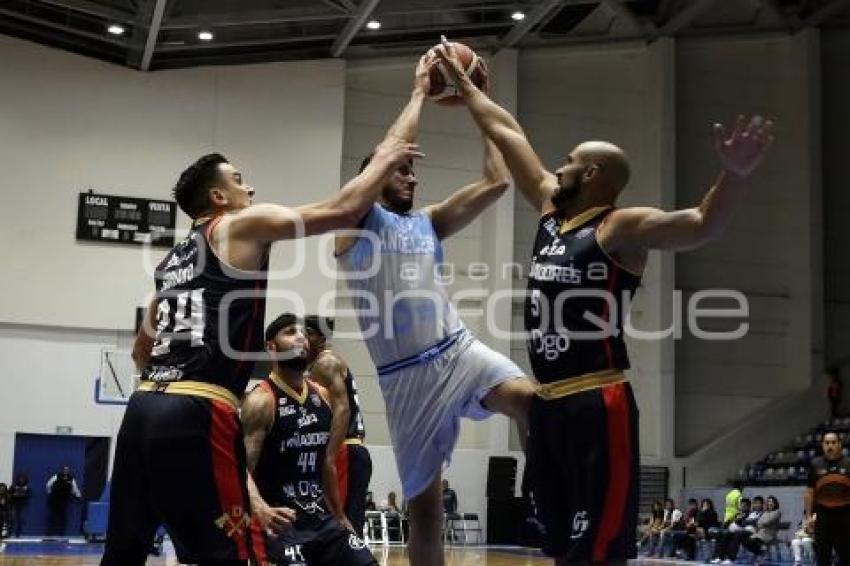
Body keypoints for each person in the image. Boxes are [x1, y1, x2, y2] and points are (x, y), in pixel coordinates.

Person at [434, 41, 774, 565]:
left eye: (569, 163)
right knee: (557, 543)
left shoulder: (620, 227)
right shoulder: (551, 210)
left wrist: (735, 174)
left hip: (599, 403)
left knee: (598, 549)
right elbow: (506, 134)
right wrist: (474, 89)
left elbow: (703, 223)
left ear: (591, 175)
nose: (558, 169)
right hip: (548, 402)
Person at [101, 140, 422, 566]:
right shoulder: (237, 225)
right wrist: (384, 160)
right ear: (218, 197)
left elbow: (143, 349)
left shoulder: (172, 260)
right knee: (234, 553)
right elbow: (343, 210)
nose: (248, 189)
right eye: (238, 181)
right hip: (199, 407)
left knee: (124, 550)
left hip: (143, 406)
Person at [335, 55, 537, 566]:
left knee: (533, 401)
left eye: (412, 170)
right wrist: (420, 94)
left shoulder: (427, 222)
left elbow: (496, 182)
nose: (412, 177)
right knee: (424, 511)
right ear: (376, 175)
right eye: (402, 170)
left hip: (459, 351)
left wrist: (479, 101)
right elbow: (388, 151)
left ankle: (548, 497)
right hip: (407, 380)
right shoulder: (353, 225)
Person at [241, 313, 377, 566]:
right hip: (280, 524)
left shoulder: (322, 396)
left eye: (303, 333)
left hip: (321, 520)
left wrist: (339, 516)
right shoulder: (261, 401)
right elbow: (241, 467)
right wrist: (260, 509)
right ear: (271, 347)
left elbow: (326, 463)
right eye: (290, 332)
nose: (301, 337)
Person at [302, 315, 372, 537]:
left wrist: (329, 456)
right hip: (347, 451)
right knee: (337, 524)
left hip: (346, 450)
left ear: (322, 338)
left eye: (307, 334)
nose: (302, 339)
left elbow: (343, 409)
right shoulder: (319, 365)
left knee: (343, 528)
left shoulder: (326, 363)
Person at [805, 430, 850, 566]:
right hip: (823, 517)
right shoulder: (815, 465)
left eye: (833, 442)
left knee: (847, 556)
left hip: (846, 517)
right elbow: (809, 493)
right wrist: (808, 517)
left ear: (839, 445)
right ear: (822, 445)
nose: (830, 446)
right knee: (822, 557)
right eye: (827, 443)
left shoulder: (849, 464)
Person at [46, 465, 81, 537]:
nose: (65, 471)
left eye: (67, 469)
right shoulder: (56, 476)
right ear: (62, 470)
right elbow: (49, 484)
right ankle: (49, 533)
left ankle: (61, 534)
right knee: (52, 516)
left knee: (63, 518)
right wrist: (50, 493)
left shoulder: (71, 479)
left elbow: (75, 488)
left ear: (68, 470)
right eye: (64, 469)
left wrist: (78, 496)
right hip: (55, 499)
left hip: (64, 500)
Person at [9, 473, 30, 537]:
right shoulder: (13, 487)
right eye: (20, 479)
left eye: (23, 479)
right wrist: (14, 494)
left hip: (22, 505)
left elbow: (28, 496)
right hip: (14, 504)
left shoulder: (27, 488)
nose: (21, 480)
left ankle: (18, 533)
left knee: (20, 520)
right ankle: (10, 532)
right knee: (12, 519)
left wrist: (23, 494)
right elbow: (9, 494)